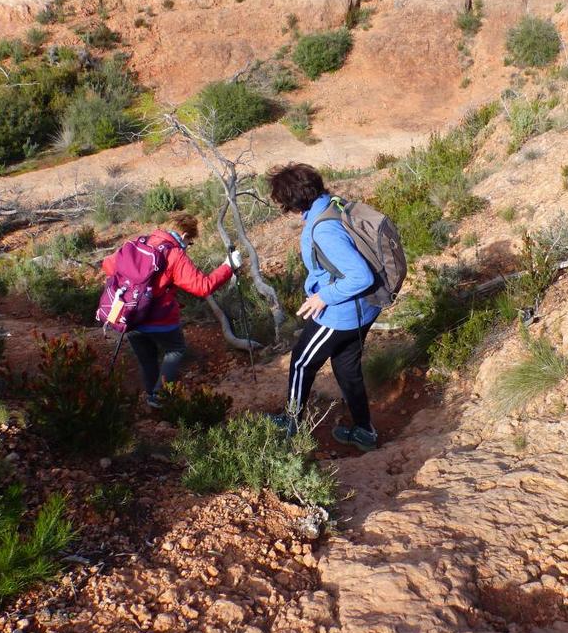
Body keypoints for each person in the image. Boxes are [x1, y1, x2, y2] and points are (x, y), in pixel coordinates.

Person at [266, 163, 381, 452]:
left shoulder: (323, 229)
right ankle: (364, 431)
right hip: (363, 309)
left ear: (293, 200)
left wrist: (322, 297)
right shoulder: (333, 205)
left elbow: (360, 276)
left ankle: (292, 423)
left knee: (302, 361)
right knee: (346, 368)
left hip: (339, 314)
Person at [101, 212, 240, 409]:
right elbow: (203, 286)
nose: (187, 246)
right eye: (190, 242)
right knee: (176, 349)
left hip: (130, 316)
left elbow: (107, 265)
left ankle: (152, 398)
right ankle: (160, 396)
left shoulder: (137, 243)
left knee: (147, 359)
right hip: (160, 319)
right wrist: (228, 266)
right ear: (184, 236)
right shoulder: (174, 254)